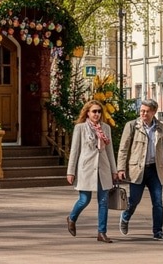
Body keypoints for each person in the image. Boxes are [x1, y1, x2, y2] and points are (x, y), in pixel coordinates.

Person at [116, 98, 163, 242]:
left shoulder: (160, 127)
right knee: (134, 200)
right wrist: (120, 168)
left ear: (154, 112)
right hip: (138, 169)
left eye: (147, 111)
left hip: (155, 170)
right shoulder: (132, 126)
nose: (143, 113)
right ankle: (125, 217)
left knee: (158, 202)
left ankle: (158, 232)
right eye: (142, 110)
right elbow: (123, 149)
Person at [66, 100, 117, 243]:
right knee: (84, 199)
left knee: (103, 201)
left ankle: (102, 233)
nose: (97, 114)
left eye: (99, 111)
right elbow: (75, 151)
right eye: (94, 111)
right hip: (86, 169)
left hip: (103, 168)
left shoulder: (105, 128)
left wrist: (114, 170)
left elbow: (109, 151)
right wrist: (71, 171)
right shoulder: (80, 128)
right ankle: (72, 218)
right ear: (87, 112)